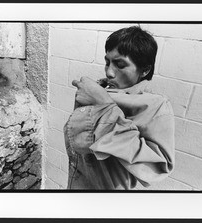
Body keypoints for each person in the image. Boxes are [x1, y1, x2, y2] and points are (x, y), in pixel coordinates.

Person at [64, 26, 175, 190]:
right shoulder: (101, 90)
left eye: (120, 65)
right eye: (107, 62)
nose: (109, 72)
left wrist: (104, 106)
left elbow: (159, 166)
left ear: (144, 70)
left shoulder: (155, 106)